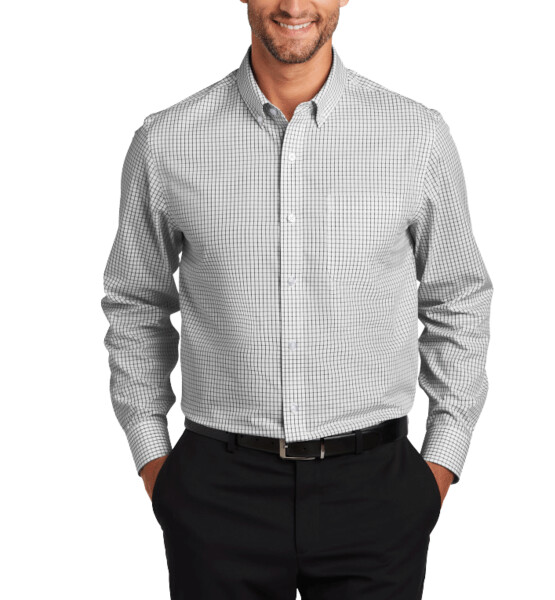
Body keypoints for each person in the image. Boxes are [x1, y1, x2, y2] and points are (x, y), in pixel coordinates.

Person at [100, 1, 493, 598]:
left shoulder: (417, 136)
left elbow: (458, 297)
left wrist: (438, 465)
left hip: (376, 492)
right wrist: (155, 460)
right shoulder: (166, 141)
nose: (293, 4)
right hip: (216, 492)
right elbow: (135, 303)